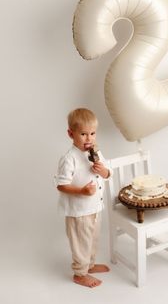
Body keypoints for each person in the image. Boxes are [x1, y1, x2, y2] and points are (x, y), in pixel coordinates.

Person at [55, 108, 112, 288]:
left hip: (95, 207)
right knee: (81, 242)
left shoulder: (96, 153)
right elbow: (61, 185)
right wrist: (82, 191)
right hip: (79, 211)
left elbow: (108, 173)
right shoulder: (69, 159)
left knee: (93, 238)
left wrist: (103, 170)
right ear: (71, 134)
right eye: (83, 134)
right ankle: (80, 273)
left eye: (93, 133)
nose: (89, 138)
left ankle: (90, 264)